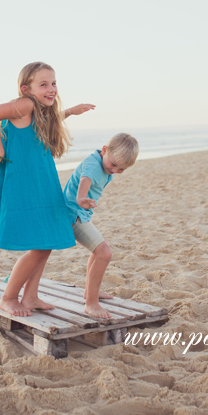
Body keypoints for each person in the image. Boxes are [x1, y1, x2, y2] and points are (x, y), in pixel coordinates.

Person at [0, 62, 95, 317]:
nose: (51, 89)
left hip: (41, 181)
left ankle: (30, 296)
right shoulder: (25, 104)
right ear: (26, 89)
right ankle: (8, 297)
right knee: (41, 242)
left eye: (53, 83)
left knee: (46, 240)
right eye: (43, 84)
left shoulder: (38, 110)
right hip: (24, 184)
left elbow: (47, 120)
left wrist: (71, 112)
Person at [63, 133, 139, 318]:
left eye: (121, 169)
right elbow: (85, 179)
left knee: (98, 252)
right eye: (113, 165)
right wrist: (81, 198)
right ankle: (91, 303)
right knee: (104, 253)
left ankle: (91, 292)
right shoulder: (92, 165)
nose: (114, 171)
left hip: (81, 214)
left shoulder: (104, 162)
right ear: (104, 150)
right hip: (74, 215)